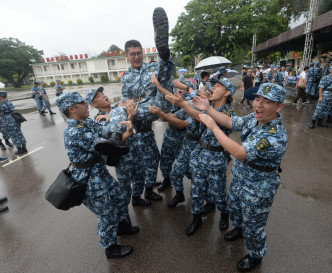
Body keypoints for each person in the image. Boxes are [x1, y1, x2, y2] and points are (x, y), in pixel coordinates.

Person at [194, 83, 288, 272]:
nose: (258, 105)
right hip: (241, 176)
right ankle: (238, 228)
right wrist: (209, 109)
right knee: (234, 208)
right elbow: (232, 122)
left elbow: (239, 152)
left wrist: (213, 127)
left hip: (258, 187)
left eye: (267, 101)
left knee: (253, 225)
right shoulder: (255, 118)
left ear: (279, 106)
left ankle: (255, 254)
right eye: (258, 98)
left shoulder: (275, 135)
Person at [55, 91, 133, 258]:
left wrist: (119, 126)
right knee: (106, 212)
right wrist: (124, 135)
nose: (86, 105)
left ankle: (122, 227)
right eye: (82, 103)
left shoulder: (86, 123)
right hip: (89, 179)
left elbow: (106, 131)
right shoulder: (74, 131)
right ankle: (110, 247)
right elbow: (107, 145)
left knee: (119, 198)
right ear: (72, 108)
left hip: (99, 173)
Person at [165, 77, 236, 236]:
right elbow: (195, 113)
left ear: (227, 92)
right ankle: (196, 218)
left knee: (219, 191)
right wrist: (182, 103)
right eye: (213, 85)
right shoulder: (207, 107)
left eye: (218, 86)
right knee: (196, 190)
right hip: (199, 154)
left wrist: (183, 104)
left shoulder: (229, 114)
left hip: (216, 158)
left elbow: (202, 116)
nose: (213, 88)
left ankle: (224, 214)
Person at [120, 7, 174, 202]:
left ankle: (165, 51)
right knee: (139, 166)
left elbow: (165, 77)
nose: (137, 57)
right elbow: (126, 100)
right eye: (132, 54)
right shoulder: (126, 78)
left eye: (139, 53)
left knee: (164, 79)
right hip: (137, 128)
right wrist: (130, 106)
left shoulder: (151, 66)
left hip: (153, 111)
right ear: (126, 55)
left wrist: (163, 60)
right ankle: (137, 196)